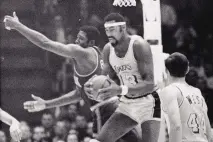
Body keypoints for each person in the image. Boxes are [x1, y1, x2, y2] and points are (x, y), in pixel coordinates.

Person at [3, 12, 139, 141]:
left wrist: (18, 26)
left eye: (81, 39)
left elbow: (45, 43)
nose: (76, 41)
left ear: (91, 43)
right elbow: (78, 94)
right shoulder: (92, 58)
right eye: (77, 37)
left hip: (105, 109)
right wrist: (46, 104)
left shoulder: (82, 53)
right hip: (114, 107)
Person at [85, 12, 161, 142]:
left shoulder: (139, 45)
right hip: (128, 103)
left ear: (123, 28)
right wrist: (92, 84)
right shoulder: (108, 49)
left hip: (149, 103)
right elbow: (104, 79)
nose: (109, 34)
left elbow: (149, 85)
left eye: (112, 29)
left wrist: (119, 90)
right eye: (107, 30)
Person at [159, 52, 213, 142]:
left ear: (166, 71)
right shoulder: (197, 92)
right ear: (187, 69)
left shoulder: (169, 91)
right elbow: (207, 127)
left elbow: (175, 126)